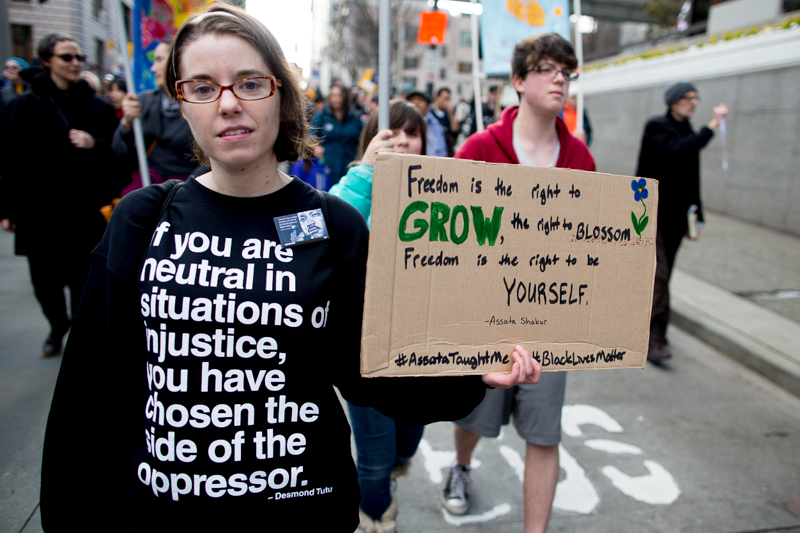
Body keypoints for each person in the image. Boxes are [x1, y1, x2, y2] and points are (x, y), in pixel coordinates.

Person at [39, 6, 541, 532]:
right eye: (203, 88)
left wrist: (468, 371)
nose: (229, 104)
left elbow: (372, 370)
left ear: (281, 94)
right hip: (162, 517)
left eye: (250, 83)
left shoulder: (334, 226)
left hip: (303, 511)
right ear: (182, 104)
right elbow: (88, 393)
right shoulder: (142, 220)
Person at [442, 33, 595, 533]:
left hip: (553, 324)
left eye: (566, 73)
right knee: (474, 421)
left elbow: (594, 245)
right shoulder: (479, 149)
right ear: (518, 81)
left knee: (545, 435)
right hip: (485, 322)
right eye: (548, 69)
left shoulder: (580, 159)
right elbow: (448, 237)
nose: (560, 80)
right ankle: (461, 467)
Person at [329, 100, 427, 533]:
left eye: (413, 133)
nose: (404, 141)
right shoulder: (353, 185)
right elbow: (329, 233)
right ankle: (376, 517)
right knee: (373, 453)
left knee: (408, 439)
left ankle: (391, 472)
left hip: (421, 344)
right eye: (394, 133)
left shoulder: (442, 187)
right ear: (372, 139)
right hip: (364, 347)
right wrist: (366, 174)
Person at [0, 34, 121, 357]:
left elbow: (117, 158)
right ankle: (57, 326)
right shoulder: (22, 106)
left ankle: (81, 336)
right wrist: (7, 209)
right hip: (37, 210)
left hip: (83, 209)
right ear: (47, 61)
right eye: (67, 57)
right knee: (44, 280)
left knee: (84, 279)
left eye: (79, 57)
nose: (76, 63)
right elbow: (9, 160)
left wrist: (93, 144)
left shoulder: (98, 107)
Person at [636, 81, 727, 361]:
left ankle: (644, 329)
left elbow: (691, 177)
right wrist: (710, 127)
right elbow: (679, 150)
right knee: (659, 276)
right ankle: (655, 339)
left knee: (662, 276)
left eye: (696, 98)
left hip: (677, 218)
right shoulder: (657, 127)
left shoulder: (688, 131)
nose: (693, 103)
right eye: (688, 98)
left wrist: (697, 214)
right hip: (651, 215)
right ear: (673, 101)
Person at [113, 37, 196, 194]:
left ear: (176, 62)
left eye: (159, 60)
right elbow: (119, 154)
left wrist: (185, 193)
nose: (153, 68)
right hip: (145, 187)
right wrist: (126, 124)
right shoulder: (143, 101)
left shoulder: (199, 103)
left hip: (186, 192)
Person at [311, 80, 363, 185]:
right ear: (329, 97)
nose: (337, 99)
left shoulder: (355, 117)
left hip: (349, 168)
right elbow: (311, 136)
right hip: (327, 168)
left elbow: (362, 139)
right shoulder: (322, 116)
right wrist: (315, 148)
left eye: (340, 95)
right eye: (334, 95)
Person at [406, 90, 447, 157]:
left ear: (427, 105)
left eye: (420, 100)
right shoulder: (401, 122)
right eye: (412, 100)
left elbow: (441, 151)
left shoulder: (435, 125)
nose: (416, 103)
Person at [431, 87, 460, 156]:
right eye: (445, 99)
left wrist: (451, 114)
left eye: (448, 99)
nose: (446, 102)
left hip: (446, 151)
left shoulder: (448, 114)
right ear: (437, 97)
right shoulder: (430, 113)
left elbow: (455, 130)